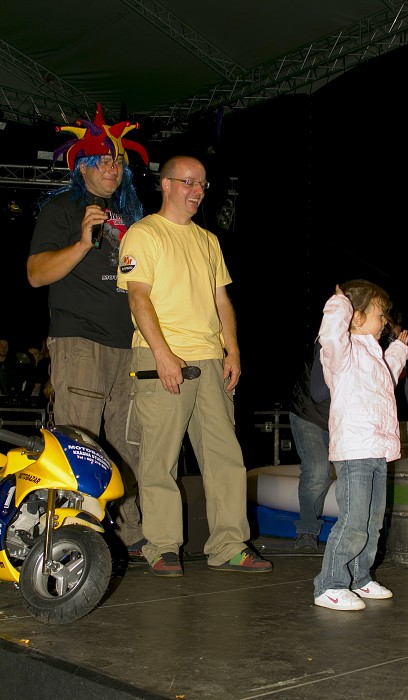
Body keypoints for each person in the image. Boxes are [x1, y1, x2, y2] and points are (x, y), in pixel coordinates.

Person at [116, 154, 272, 576]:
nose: (197, 191)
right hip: (162, 357)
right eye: (188, 182)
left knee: (226, 457)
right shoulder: (144, 233)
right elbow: (138, 298)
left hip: (210, 360)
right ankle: (162, 546)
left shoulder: (207, 240)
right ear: (166, 184)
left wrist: (231, 350)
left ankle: (228, 545)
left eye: (202, 184)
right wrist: (163, 354)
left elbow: (222, 300)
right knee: (159, 458)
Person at [26, 104, 149, 558]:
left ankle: (131, 536)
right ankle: (71, 537)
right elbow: (36, 275)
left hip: (130, 344)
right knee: (79, 444)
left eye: (116, 161)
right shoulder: (63, 209)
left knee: (129, 444)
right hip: (80, 340)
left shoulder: (132, 216)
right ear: (82, 166)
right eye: (101, 161)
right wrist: (81, 242)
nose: (111, 168)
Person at [314, 279, 408, 611]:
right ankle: (330, 584)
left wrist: (398, 351)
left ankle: (360, 577)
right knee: (353, 520)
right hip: (355, 450)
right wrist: (340, 304)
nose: (384, 321)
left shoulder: (373, 353)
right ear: (356, 317)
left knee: (372, 522)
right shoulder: (342, 352)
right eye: (380, 314)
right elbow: (330, 336)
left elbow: (386, 378)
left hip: (376, 450)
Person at [289, 338, 333, 552]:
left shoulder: (375, 347)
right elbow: (319, 391)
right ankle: (307, 530)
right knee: (317, 469)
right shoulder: (328, 339)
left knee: (356, 472)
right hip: (309, 414)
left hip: (343, 420)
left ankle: (356, 533)